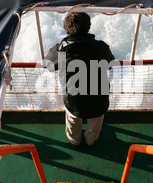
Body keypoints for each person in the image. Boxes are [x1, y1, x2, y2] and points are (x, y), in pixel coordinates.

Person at [44, 11, 115, 146]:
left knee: (73, 119)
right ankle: (90, 140)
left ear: (66, 29)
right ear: (88, 27)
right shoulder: (101, 47)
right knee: (95, 122)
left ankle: (74, 140)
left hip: (74, 102)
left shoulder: (60, 50)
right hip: (98, 101)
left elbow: (48, 66)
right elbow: (110, 65)